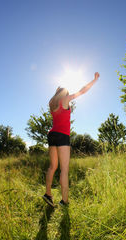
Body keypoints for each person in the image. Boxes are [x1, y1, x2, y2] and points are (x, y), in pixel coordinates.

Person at [42, 72, 100, 207]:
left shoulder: (52, 103)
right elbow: (82, 91)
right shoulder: (65, 100)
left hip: (52, 135)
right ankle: (64, 201)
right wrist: (94, 80)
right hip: (62, 136)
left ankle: (48, 194)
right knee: (64, 170)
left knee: (52, 167)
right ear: (65, 93)